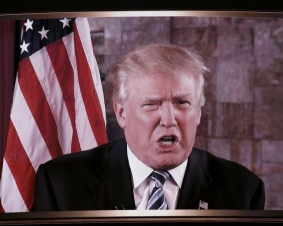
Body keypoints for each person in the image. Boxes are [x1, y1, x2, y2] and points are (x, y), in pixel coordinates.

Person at [32, 44, 265, 211]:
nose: (168, 119)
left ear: (198, 113)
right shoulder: (61, 184)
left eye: (182, 103)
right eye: (152, 104)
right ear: (122, 113)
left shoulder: (243, 191)